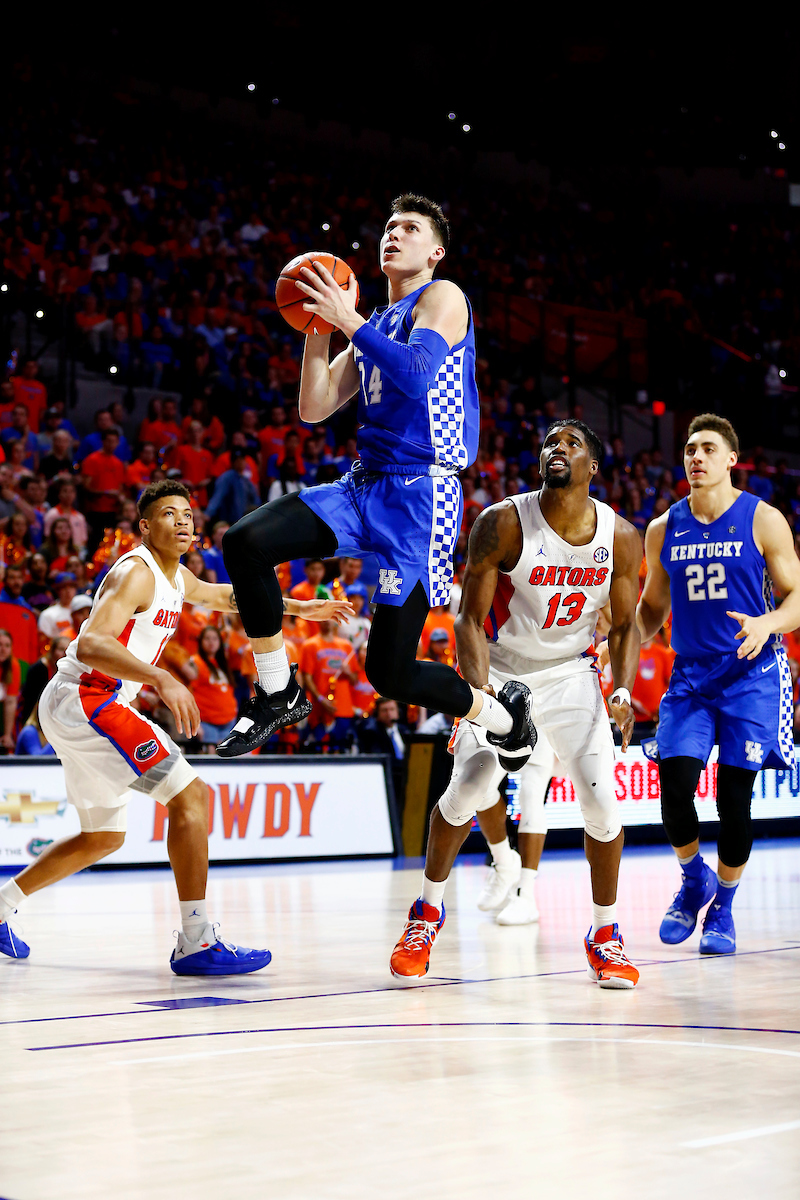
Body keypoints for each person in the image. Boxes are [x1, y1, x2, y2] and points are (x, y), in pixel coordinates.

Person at [218, 194, 533, 766]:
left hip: (422, 498)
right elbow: (314, 407)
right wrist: (318, 328)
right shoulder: (375, 324)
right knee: (245, 542)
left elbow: (415, 374)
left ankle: (504, 717)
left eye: (409, 228)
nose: (393, 235)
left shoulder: (443, 296)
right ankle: (277, 689)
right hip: (364, 486)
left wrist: (346, 319)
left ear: (435, 250)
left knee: (389, 674)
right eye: (388, 227)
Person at [0, 479, 352, 970]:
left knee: (103, 836)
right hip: (89, 696)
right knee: (190, 796)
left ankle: (0, 907)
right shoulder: (137, 575)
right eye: (170, 514)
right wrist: (160, 677)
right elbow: (89, 645)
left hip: (80, 703)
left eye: (188, 513)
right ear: (145, 527)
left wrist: (297, 608)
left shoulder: (176, 576)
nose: (184, 520)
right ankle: (196, 940)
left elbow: (225, 597)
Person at [389, 419, 643, 988]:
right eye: (550, 441)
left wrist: (622, 689)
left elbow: (625, 626)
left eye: (572, 443)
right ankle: (425, 914)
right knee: (471, 789)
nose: (557, 448)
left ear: (592, 468)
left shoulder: (621, 537)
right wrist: (480, 699)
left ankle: (605, 933)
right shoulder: (502, 522)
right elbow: (469, 620)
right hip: (502, 672)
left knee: (602, 806)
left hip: (573, 676)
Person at [637, 414, 800, 955]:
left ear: (732, 459)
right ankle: (694, 880)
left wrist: (768, 623)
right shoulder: (663, 528)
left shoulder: (764, 519)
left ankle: (724, 907)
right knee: (675, 789)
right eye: (689, 449)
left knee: (735, 802)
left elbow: (796, 597)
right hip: (690, 678)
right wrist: (617, 653)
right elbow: (652, 608)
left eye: (708, 448)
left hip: (751, 675)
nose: (696, 458)